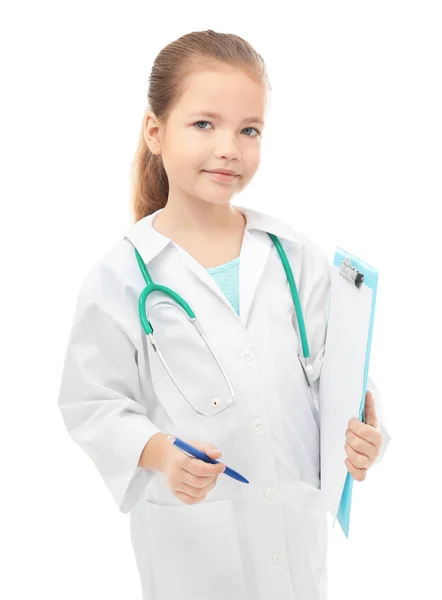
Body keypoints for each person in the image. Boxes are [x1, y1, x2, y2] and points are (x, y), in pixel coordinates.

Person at [57, 29, 391, 600]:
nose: (230, 147)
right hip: (193, 549)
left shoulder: (293, 256)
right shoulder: (122, 275)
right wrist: (159, 453)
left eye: (249, 130)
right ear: (155, 131)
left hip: (295, 537)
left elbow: (338, 373)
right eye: (204, 124)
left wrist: (366, 432)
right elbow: (91, 402)